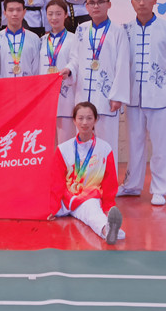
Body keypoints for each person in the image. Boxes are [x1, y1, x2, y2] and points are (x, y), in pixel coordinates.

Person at [118, 0, 166, 206]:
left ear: (155, 0)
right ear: (132, 2)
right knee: (134, 144)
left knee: (161, 146)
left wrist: (163, 87)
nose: (142, 2)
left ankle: (159, 189)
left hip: (159, 98)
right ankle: (132, 185)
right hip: (133, 98)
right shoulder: (125, 30)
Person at [60, 0, 130, 165]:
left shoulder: (118, 31)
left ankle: (107, 181)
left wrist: (117, 96)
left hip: (106, 98)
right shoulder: (81, 29)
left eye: (100, 2)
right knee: (82, 146)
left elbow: (122, 65)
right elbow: (75, 58)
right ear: (86, 6)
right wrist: (69, 69)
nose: (96, 6)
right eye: (91, 3)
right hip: (83, 96)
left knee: (106, 145)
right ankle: (82, 180)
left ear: (109, 4)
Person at [49, 101, 124, 245]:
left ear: (95, 120)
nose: (84, 122)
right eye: (80, 118)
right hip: (64, 199)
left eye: (89, 118)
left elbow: (109, 182)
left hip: (88, 197)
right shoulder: (63, 148)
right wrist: (52, 207)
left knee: (92, 213)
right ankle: (115, 231)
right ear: (74, 120)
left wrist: (108, 206)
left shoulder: (104, 148)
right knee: (36, 204)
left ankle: (107, 230)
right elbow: (57, 180)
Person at [39, 0, 76, 144]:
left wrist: (69, 69)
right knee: (44, 143)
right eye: (50, 14)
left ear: (66, 15)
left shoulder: (74, 39)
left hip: (66, 96)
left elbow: (76, 61)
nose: (54, 18)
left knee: (65, 142)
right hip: (45, 96)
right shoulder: (41, 40)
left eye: (58, 14)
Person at [0, 0, 41, 77]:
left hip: (27, 84)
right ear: (5, 13)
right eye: (11, 10)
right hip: (3, 84)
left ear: (24, 12)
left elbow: (36, 71)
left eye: (18, 10)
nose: (15, 14)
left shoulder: (34, 38)